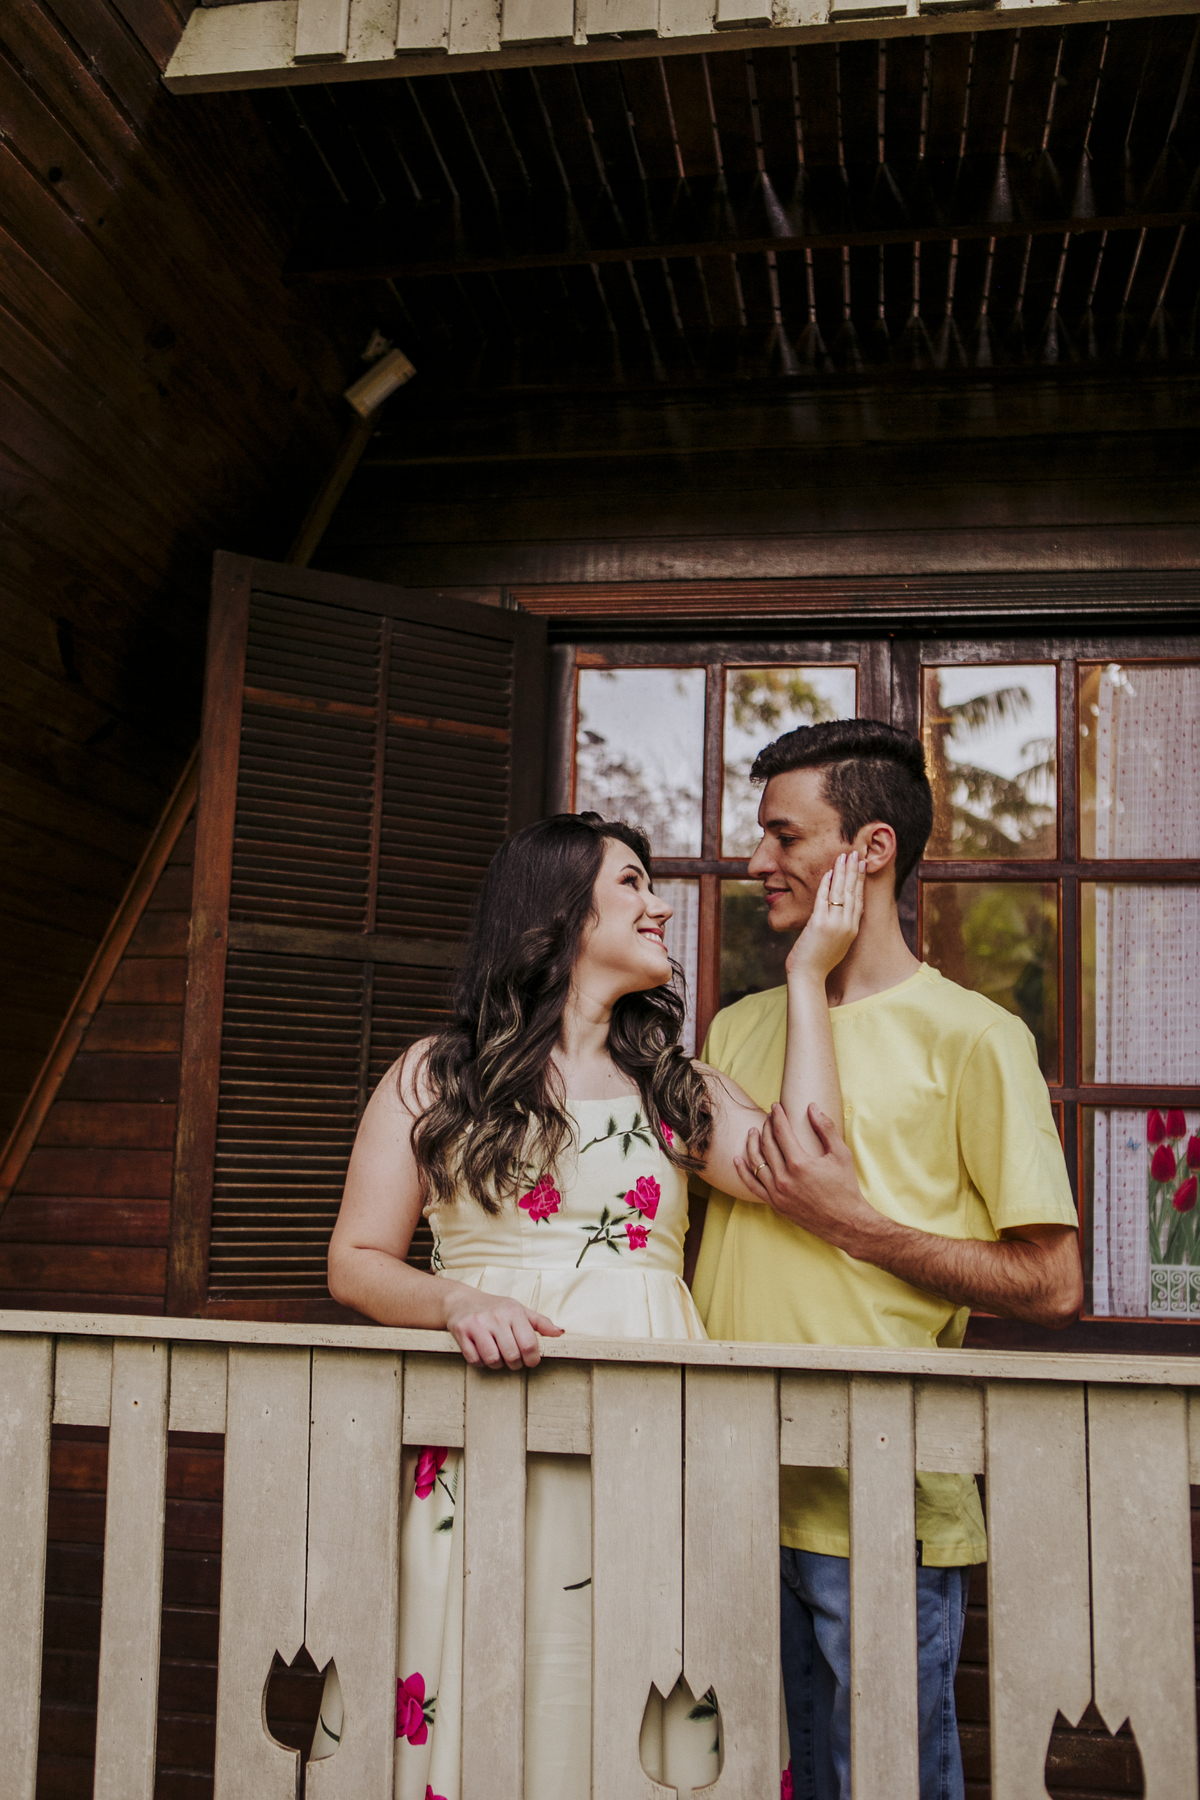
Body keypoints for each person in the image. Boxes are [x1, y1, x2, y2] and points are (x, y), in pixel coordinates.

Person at [312, 811, 864, 1800]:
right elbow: (355, 1262)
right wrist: (456, 1302)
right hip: (487, 1428)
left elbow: (814, 1168)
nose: (661, 907)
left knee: (655, 1655)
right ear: (561, 913)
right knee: (496, 1661)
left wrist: (807, 978)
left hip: (658, 1436)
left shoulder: (675, 1087)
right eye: (632, 884)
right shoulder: (437, 1075)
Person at [691, 718, 1083, 1800]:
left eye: (783, 835)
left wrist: (859, 1225)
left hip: (878, 1504)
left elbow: (1053, 1285)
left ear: (870, 850)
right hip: (721, 1486)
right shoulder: (734, 1030)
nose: (755, 862)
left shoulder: (978, 1038)